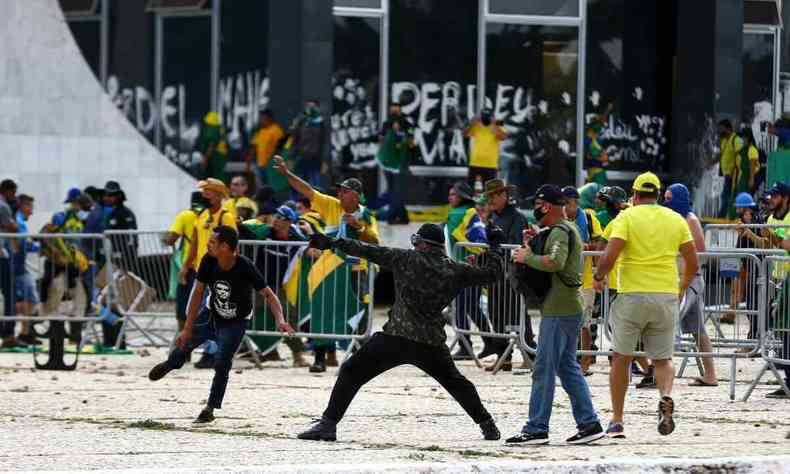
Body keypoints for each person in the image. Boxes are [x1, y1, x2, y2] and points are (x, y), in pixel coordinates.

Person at [297, 223, 505, 442]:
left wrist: (332, 242)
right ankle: (487, 425)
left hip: (396, 338)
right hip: (430, 343)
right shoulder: (456, 269)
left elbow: (366, 249)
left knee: (351, 371)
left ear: (421, 243)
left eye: (416, 242)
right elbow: (492, 274)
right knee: (457, 384)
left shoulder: (405, 259)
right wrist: (495, 248)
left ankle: (328, 425)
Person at [148, 226, 295, 423]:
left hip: (235, 322)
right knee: (184, 344)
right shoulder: (208, 261)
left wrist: (281, 320)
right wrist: (187, 327)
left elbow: (269, 295)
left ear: (225, 247)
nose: (207, 245)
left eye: (211, 242)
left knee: (222, 362)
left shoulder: (245, 266)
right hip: (210, 314)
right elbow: (198, 293)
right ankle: (172, 363)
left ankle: (210, 408)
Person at [593, 172, 698, 438]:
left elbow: (610, 254)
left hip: (632, 296)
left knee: (621, 358)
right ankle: (665, 395)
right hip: (665, 294)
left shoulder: (626, 217)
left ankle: (617, 420)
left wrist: (598, 276)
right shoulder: (675, 219)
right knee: (663, 359)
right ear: (660, 195)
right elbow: (693, 262)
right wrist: (681, 288)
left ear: (635, 195)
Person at [506, 185, 604, 446]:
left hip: (560, 310)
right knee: (567, 368)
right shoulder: (561, 230)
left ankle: (536, 428)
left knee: (543, 368)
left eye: (539, 204)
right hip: (565, 307)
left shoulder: (561, 230)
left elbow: (555, 262)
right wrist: (534, 241)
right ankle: (589, 423)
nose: (536, 209)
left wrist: (527, 258)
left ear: (547, 206)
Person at [664, 184, 718, 386]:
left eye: (670, 198)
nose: (666, 201)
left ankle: (659, 371)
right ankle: (710, 375)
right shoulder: (673, 219)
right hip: (679, 279)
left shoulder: (690, 219)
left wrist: (684, 279)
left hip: (690, 280)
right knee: (698, 330)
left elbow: (701, 253)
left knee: (669, 322)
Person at [180, 178, 238, 369]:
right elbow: (195, 244)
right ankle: (206, 350)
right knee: (194, 311)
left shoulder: (226, 216)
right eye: (203, 191)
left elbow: (233, 245)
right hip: (201, 271)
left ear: (219, 195)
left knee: (214, 313)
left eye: (208, 192)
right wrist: (186, 265)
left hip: (219, 271)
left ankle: (212, 353)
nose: (204, 195)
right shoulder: (201, 215)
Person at [482, 178, 532, 369]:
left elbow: (514, 245)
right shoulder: (493, 218)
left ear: (506, 195)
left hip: (512, 274)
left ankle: (530, 355)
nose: (491, 199)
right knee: (496, 315)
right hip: (495, 274)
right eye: (489, 196)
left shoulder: (517, 218)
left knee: (518, 315)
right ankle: (504, 357)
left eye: (495, 195)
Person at [445, 182, 490, 361]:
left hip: (466, 270)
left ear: (462, 196)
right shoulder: (469, 213)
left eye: (453, 194)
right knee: (470, 308)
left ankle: (466, 345)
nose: (450, 197)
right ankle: (490, 342)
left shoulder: (460, 214)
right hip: (467, 269)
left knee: (463, 308)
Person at [562, 186, 603, 375]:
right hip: (564, 278)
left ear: (575, 202)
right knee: (565, 321)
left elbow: (600, 244)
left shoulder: (588, 218)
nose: (562, 206)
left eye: (565, 202)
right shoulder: (560, 218)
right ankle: (568, 359)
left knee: (584, 322)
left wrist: (583, 246)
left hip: (585, 278)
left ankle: (585, 361)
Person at [163, 192, 207, 332]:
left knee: (183, 309)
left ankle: (184, 342)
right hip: (208, 267)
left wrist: (164, 237)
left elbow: (170, 240)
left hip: (189, 269)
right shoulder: (209, 217)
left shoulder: (185, 216)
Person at [378, 101, 414, 225]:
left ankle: (393, 216)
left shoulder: (406, 124)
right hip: (388, 162)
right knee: (393, 189)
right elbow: (381, 139)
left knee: (397, 189)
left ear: (400, 111)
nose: (394, 113)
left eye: (396, 110)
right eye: (392, 110)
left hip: (401, 162)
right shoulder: (386, 124)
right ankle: (403, 216)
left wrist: (401, 138)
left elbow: (411, 142)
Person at [12, 194, 40, 346]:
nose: (32, 212)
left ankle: (26, 333)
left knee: (30, 300)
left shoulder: (19, 221)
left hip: (19, 268)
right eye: (30, 207)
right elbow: (23, 244)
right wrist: (41, 246)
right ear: (23, 206)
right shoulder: (19, 222)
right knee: (27, 301)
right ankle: (22, 332)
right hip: (16, 268)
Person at [464, 108, 507, 187]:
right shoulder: (477, 125)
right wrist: (471, 123)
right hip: (475, 162)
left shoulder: (498, 124)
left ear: (492, 117)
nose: (485, 119)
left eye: (487, 117)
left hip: (490, 164)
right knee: (469, 189)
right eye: (484, 117)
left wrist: (494, 125)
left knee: (489, 191)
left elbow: (503, 137)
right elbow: (465, 134)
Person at [290, 99, 326, 188]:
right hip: (301, 157)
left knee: (316, 186)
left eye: (313, 107)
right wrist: (291, 157)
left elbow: (324, 142)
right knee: (298, 185)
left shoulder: (321, 123)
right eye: (308, 106)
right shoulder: (300, 121)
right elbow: (295, 139)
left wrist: (324, 160)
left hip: (315, 158)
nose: (310, 109)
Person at [247, 109, 285, 190]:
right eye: (260, 118)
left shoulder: (276, 130)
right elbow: (254, 146)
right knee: (262, 187)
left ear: (269, 118)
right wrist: (249, 162)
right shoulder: (261, 130)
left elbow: (281, 147)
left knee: (272, 187)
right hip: (260, 164)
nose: (261, 120)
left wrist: (273, 160)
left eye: (263, 118)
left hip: (271, 165)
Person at [0, 179, 18, 347]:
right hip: (2, 256)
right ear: (8, 191)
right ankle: (8, 334)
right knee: (9, 294)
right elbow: (13, 227)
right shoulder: (4, 207)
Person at [718, 119, 743, 218]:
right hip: (726, 173)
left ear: (728, 128)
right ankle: (725, 214)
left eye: (722, 129)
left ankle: (723, 215)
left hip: (733, 173)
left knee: (726, 195)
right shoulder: (724, 140)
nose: (720, 131)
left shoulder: (736, 140)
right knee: (726, 194)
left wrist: (734, 169)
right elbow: (722, 154)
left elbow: (738, 154)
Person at [196, 111, 229, 184]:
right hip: (222, 155)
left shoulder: (213, 129)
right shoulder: (220, 129)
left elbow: (211, 145)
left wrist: (205, 158)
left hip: (216, 156)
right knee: (219, 176)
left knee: (216, 177)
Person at [584, 104, 613, 185]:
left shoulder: (596, 140)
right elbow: (590, 156)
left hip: (598, 171)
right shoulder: (588, 140)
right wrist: (602, 157)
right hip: (594, 172)